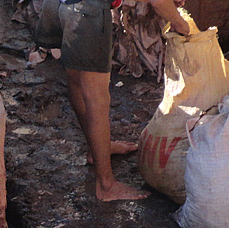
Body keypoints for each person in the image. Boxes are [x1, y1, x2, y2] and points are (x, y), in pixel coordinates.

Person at [35, 0, 190, 201]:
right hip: (86, 13)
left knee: (77, 81)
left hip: (60, 6)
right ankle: (106, 185)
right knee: (97, 99)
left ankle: (96, 150)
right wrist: (180, 23)